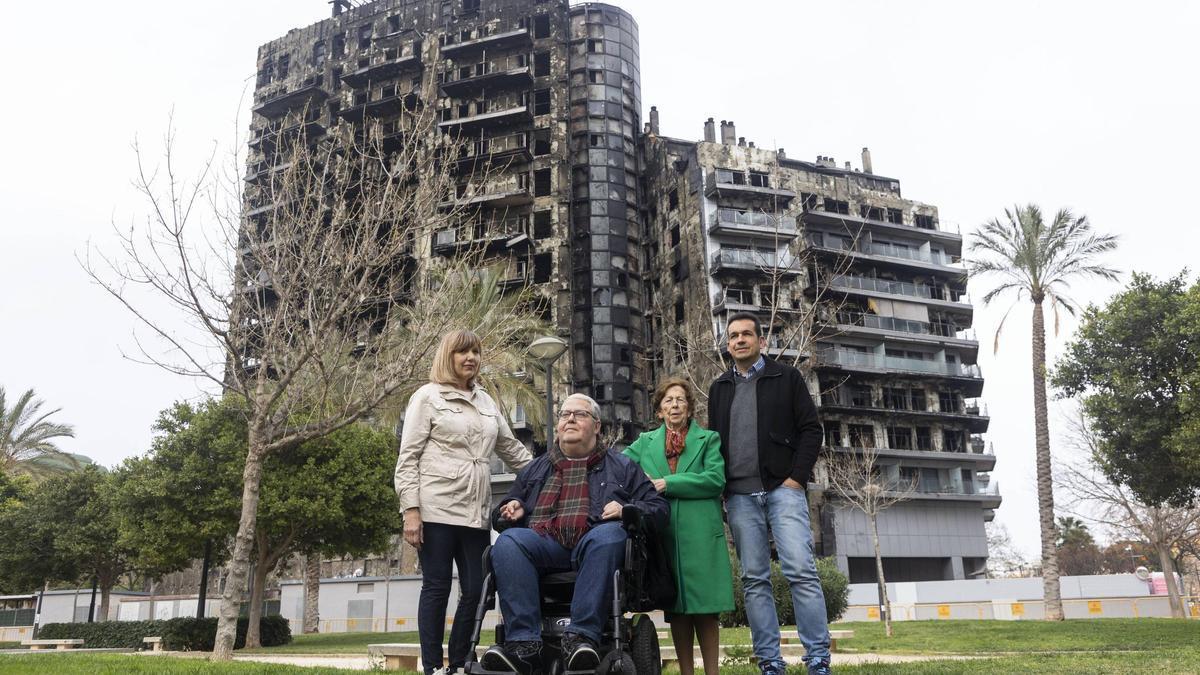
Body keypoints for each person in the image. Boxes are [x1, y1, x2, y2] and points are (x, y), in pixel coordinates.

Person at [480, 394, 669, 675]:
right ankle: (523, 647)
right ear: (557, 427)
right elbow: (501, 514)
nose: (569, 419)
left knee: (609, 536)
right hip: (545, 544)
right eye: (565, 414)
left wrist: (628, 508)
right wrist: (511, 510)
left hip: (595, 542)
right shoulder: (535, 468)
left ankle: (581, 638)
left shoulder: (623, 466)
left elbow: (658, 509)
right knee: (508, 543)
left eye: (579, 414)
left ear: (596, 427)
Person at [395, 329, 533, 675]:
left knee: (476, 590)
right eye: (463, 352)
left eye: (475, 352)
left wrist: (549, 471)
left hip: (475, 511)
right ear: (448, 356)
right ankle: (431, 667)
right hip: (435, 507)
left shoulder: (486, 401)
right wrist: (411, 510)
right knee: (437, 587)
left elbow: (511, 449)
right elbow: (408, 457)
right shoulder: (427, 397)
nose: (471, 358)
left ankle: (458, 663)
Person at [707, 312, 831, 675]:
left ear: (762, 341)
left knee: (800, 570)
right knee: (754, 579)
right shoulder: (718, 388)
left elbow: (811, 430)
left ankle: (818, 658)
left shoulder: (786, 377)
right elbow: (716, 443)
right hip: (740, 496)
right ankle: (770, 662)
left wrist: (796, 478)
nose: (740, 340)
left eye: (747, 334)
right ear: (728, 344)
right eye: (733, 336)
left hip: (783, 490)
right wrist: (722, 491)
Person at [623, 377, 733, 675]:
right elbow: (618, 467)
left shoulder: (708, 439)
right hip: (664, 536)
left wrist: (665, 483)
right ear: (659, 410)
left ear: (689, 407)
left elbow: (714, 480)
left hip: (701, 536)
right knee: (677, 611)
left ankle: (712, 673)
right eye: (668, 400)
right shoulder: (643, 443)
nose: (674, 405)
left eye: (680, 400)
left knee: (706, 611)